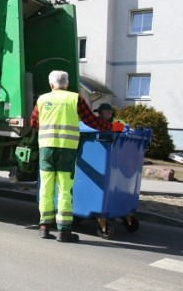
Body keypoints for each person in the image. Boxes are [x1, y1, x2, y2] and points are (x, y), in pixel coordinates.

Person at [30, 71, 124, 242]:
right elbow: (92, 122)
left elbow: (34, 122)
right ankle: (64, 231)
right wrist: (112, 127)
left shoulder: (42, 99)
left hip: (46, 149)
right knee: (65, 188)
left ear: (51, 84)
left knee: (46, 187)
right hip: (66, 149)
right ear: (66, 84)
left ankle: (44, 227)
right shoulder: (75, 99)